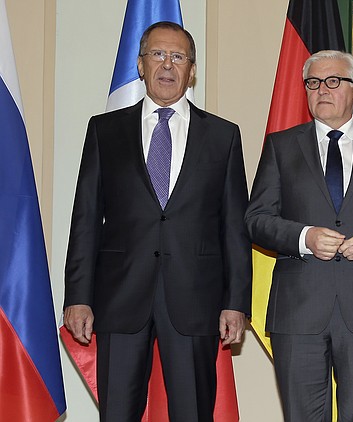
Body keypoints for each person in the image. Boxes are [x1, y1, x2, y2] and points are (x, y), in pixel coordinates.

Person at [63, 21, 251, 421]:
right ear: (141, 63)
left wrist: (236, 303)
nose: (167, 65)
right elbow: (85, 219)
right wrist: (78, 295)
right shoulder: (104, 130)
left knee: (193, 412)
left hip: (195, 299)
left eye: (178, 56)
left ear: (192, 69)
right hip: (120, 296)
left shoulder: (223, 136)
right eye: (158, 55)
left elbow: (235, 226)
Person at [245, 50, 353, 422]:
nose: (321, 90)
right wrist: (304, 237)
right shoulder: (281, 145)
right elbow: (257, 218)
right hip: (298, 311)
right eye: (313, 83)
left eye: (333, 81)